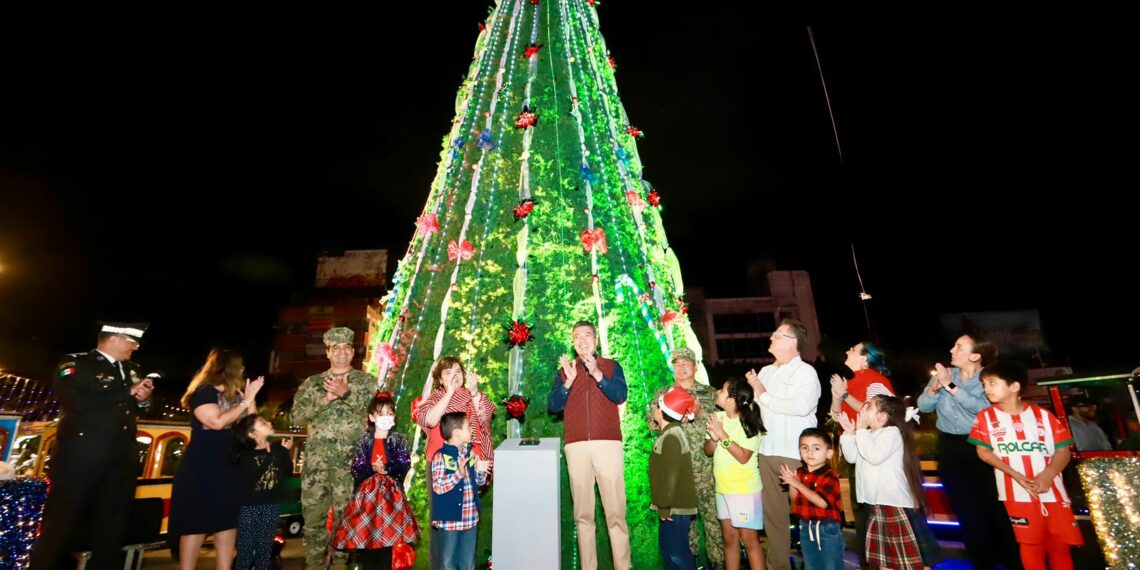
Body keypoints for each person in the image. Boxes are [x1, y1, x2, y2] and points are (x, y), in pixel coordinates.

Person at [31, 323, 155, 570]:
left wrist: (145, 399)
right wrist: (127, 392)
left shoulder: (133, 369)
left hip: (121, 458)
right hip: (82, 457)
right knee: (62, 523)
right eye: (132, 341)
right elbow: (75, 400)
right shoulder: (77, 364)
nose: (135, 347)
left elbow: (138, 408)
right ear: (114, 339)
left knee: (112, 528)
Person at [915, 333, 1021, 569]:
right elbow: (923, 406)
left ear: (975, 356)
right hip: (950, 447)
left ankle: (1013, 562)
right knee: (965, 510)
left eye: (959, 347)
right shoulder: (946, 375)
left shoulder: (988, 379)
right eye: (954, 345)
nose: (952, 350)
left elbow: (982, 408)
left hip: (981, 446)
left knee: (995, 507)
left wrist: (950, 387)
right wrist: (933, 389)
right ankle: (983, 563)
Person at [972, 361, 1084, 570]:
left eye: (992, 383)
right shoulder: (985, 418)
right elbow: (983, 452)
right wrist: (1015, 474)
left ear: (1014, 387)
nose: (986, 389)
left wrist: (1049, 474)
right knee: (1031, 545)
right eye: (984, 384)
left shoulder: (1044, 416)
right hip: (1016, 494)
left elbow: (1063, 451)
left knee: (1060, 546)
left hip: (1053, 492)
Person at [291, 326, 377, 568]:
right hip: (316, 468)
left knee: (345, 520)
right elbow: (296, 417)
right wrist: (325, 399)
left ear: (353, 352)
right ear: (327, 352)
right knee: (313, 522)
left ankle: (340, 564)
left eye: (346, 348)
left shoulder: (366, 381)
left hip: (349, 468)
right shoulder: (313, 383)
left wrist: (346, 394)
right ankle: (314, 565)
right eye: (335, 348)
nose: (341, 352)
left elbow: (378, 415)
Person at [169, 348, 263, 570]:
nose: (242, 369)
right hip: (202, 467)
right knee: (195, 524)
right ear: (227, 368)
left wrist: (249, 400)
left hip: (229, 466)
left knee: (227, 522)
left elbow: (253, 426)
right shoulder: (204, 393)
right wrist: (243, 403)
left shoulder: (235, 397)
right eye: (239, 365)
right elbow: (216, 422)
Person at [548, 320, 630, 570]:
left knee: (615, 513)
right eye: (576, 337)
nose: (582, 340)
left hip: (608, 444)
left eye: (586, 335)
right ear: (573, 343)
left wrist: (598, 375)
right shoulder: (565, 371)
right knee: (583, 515)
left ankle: (623, 566)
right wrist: (567, 383)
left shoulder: (611, 366)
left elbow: (620, 395)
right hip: (576, 446)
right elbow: (553, 405)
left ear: (595, 340)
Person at [745, 318, 820, 570]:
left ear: (791, 342)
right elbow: (759, 410)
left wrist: (762, 392)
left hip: (794, 454)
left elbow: (800, 407)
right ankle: (778, 566)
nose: (771, 338)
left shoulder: (805, 372)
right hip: (767, 452)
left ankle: (816, 563)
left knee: (807, 514)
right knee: (774, 518)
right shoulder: (766, 372)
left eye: (776, 335)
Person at [646, 347, 723, 569]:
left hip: (706, 470)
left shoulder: (709, 393)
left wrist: (699, 416)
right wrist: (665, 412)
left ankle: (718, 564)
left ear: (695, 366)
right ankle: (692, 565)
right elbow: (652, 423)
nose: (680, 367)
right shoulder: (663, 394)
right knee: (684, 531)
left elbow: (722, 422)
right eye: (676, 363)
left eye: (685, 363)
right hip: (678, 473)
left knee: (714, 524)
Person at [838, 396, 932, 570]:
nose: (864, 408)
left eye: (870, 406)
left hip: (893, 503)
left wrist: (860, 432)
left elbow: (874, 456)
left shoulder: (892, 433)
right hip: (876, 504)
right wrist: (850, 433)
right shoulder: (867, 435)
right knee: (884, 560)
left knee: (910, 560)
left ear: (882, 416)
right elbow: (852, 457)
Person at [335, 393, 420, 570]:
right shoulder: (364, 441)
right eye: (381, 413)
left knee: (386, 546)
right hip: (367, 503)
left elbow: (404, 465)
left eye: (390, 413)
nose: (386, 417)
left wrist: (388, 468)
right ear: (372, 417)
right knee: (368, 545)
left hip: (391, 501)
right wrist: (371, 468)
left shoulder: (398, 440)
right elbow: (356, 469)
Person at [828, 340, 895, 565]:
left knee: (875, 510)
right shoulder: (853, 382)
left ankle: (884, 560)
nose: (847, 349)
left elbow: (879, 414)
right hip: (856, 450)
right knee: (862, 510)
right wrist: (837, 396)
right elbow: (837, 417)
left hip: (876, 453)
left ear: (865, 358)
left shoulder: (876, 380)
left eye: (853, 349)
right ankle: (871, 560)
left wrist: (845, 396)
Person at [704, 378, 765, 570]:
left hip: (744, 491)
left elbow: (743, 457)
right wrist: (714, 438)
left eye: (722, 390)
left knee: (750, 542)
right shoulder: (718, 418)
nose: (717, 392)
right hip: (722, 489)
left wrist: (722, 435)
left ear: (731, 400)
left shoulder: (749, 422)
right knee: (729, 540)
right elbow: (707, 450)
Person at [232, 414, 294, 570]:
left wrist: (285, 453)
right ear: (252, 433)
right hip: (249, 507)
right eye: (263, 422)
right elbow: (252, 478)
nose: (269, 423)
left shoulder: (278, 448)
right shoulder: (245, 455)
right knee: (245, 551)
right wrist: (269, 454)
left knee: (265, 550)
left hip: (271, 505)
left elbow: (287, 472)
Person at [430, 412, 491, 570]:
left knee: (468, 563)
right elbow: (438, 486)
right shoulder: (440, 457)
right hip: (449, 520)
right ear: (457, 433)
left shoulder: (469, 453)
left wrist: (480, 471)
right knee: (448, 562)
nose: (472, 429)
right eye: (468, 426)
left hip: (470, 518)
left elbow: (478, 483)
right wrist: (458, 473)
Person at [649, 387, 700, 570]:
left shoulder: (671, 437)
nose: (653, 409)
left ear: (662, 412)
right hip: (673, 508)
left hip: (674, 509)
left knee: (677, 554)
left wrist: (664, 506)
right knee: (670, 554)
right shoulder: (670, 434)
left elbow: (670, 475)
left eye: (656, 406)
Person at [780, 428, 843, 570]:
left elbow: (822, 502)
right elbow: (795, 500)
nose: (810, 452)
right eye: (804, 448)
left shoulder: (830, 476)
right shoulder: (800, 473)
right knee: (811, 566)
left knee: (831, 566)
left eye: (816, 448)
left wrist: (797, 484)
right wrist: (792, 484)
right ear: (800, 452)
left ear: (828, 453)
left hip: (826, 528)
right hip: (805, 526)